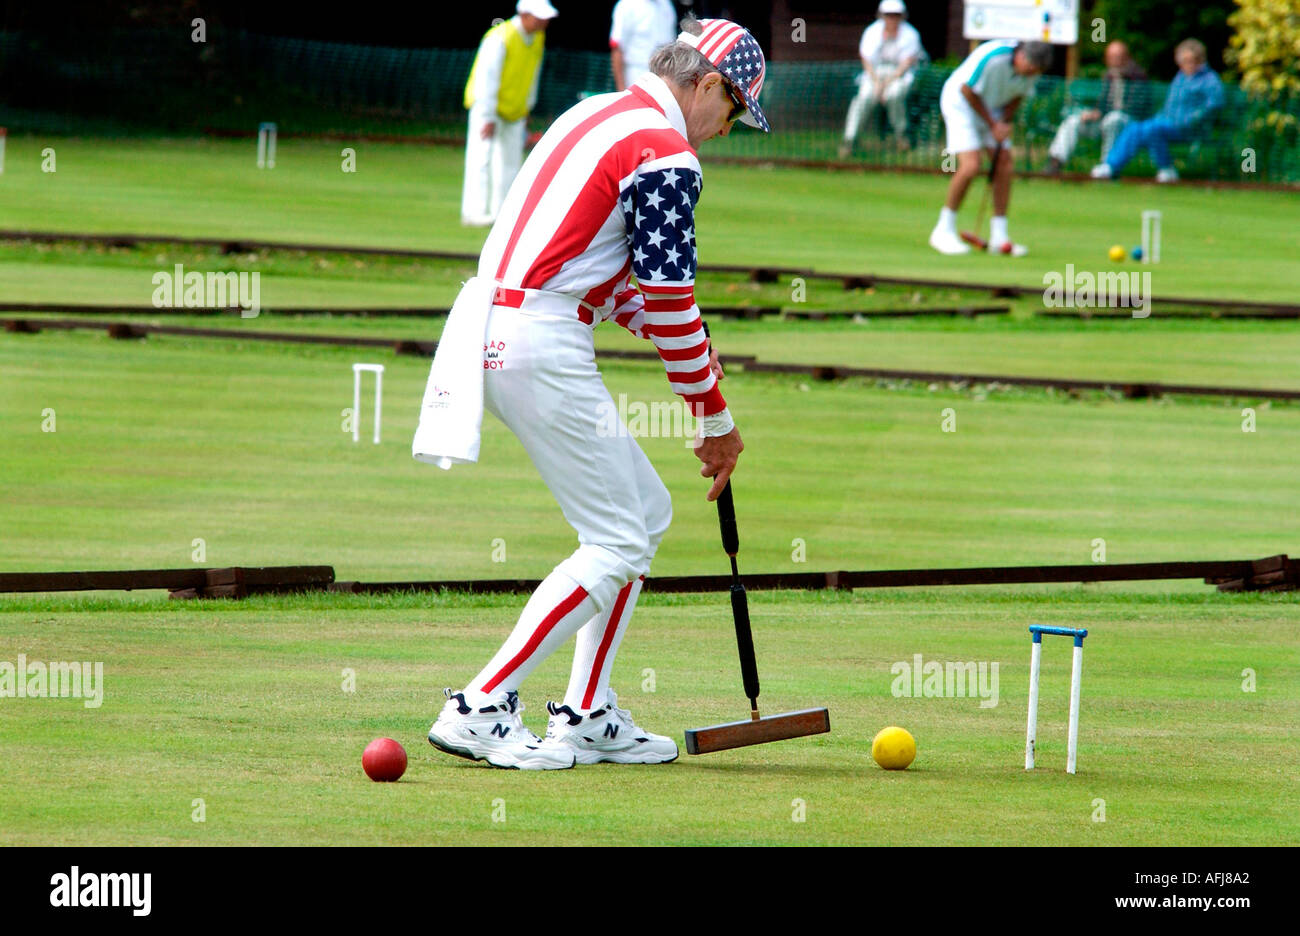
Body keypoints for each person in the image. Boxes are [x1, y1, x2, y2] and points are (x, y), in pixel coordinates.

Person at [414, 16, 766, 770]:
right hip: (541, 339)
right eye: (732, 113)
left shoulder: (597, 111)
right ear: (707, 86)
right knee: (616, 539)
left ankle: (587, 713)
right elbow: (670, 298)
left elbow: (605, 275)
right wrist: (713, 416)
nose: (725, 132)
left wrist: (693, 356)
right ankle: (479, 705)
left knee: (643, 513)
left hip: (502, 324)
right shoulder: (668, 151)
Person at [929, 39, 1052, 257]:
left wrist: (1004, 122)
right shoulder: (994, 58)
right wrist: (993, 124)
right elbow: (967, 90)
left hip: (992, 109)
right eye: (1031, 69)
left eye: (1036, 72)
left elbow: (1018, 94)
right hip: (961, 103)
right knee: (971, 165)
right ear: (1022, 56)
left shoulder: (1033, 71)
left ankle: (999, 237)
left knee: (1004, 162)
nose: (1032, 74)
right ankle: (943, 230)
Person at [460, 1, 557, 227]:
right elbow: (488, 78)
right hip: (487, 107)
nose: (544, 21)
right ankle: (473, 213)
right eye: (538, 16)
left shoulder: (538, 39)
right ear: (523, 14)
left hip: (515, 110)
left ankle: (503, 214)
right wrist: (487, 116)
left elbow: (532, 76)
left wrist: (526, 108)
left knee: (511, 163)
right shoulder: (500, 37)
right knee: (481, 159)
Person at [1090, 39, 1224, 183]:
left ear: (1199, 60)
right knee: (1134, 128)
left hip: (1192, 128)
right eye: (1184, 61)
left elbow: (1215, 104)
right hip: (1169, 124)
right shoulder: (1181, 77)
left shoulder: (1210, 79)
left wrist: (1193, 118)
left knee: (1151, 129)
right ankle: (1110, 166)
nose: (1187, 65)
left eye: (1191, 61)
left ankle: (1166, 168)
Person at [1045, 40, 1148, 175]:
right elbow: (1102, 104)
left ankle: (1108, 167)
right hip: (1104, 121)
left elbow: (1139, 108)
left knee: (1113, 119)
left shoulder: (1138, 77)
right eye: (1110, 57)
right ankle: (1056, 161)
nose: (1113, 61)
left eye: (1117, 57)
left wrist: (1109, 112)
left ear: (1126, 57)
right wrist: (1094, 113)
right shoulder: (1109, 76)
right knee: (1073, 121)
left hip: (1128, 124)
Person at [839, 0, 925, 156]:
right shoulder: (871, 32)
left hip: (900, 74)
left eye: (896, 15)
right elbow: (866, 59)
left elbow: (906, 63)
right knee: (864, 97)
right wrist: (877, 82)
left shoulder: (910, 34)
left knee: (894, 95)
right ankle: (850, 140)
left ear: (902, 16)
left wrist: (886, 84)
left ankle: (902, 137)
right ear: (881, 15)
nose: (892, 19)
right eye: (888, 15)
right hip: (874, 73)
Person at [610, 0, 678, 92]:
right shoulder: (626, 5)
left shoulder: (666, 5)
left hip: (663, 78)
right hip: (635, 75)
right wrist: (621, 90)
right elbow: (617, 48)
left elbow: (672, 46)